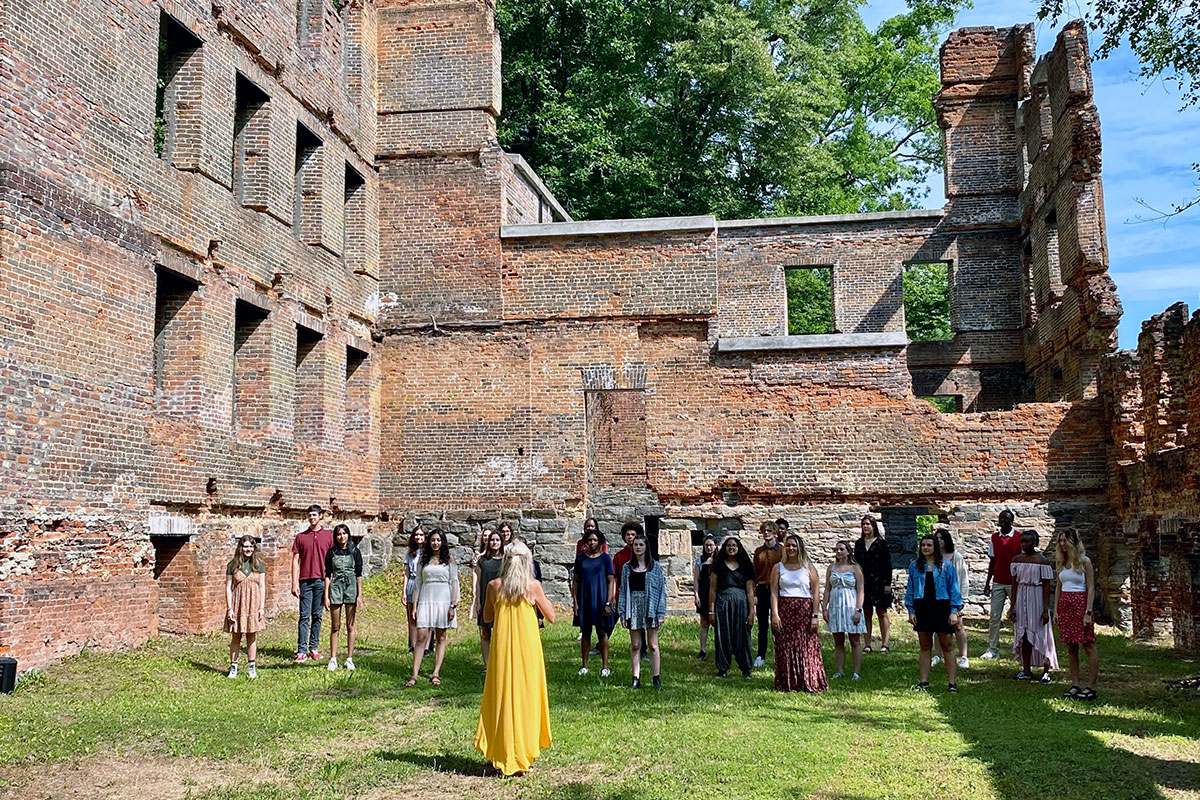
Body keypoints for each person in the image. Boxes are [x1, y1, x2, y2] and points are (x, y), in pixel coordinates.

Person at [475, 540, 555, 776]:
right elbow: (550, 616)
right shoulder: (533, 586)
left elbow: (487, 616)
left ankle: (502, 754)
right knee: (527, 696)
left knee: (502, 694)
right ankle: (524, 756)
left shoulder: (494, 586)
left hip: (502, 647)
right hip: (527, 648)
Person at [905, 534, 963, 692]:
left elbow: (954, 589)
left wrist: (954, 611)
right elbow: (910, 588)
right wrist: (911, 610)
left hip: (941, 606)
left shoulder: (946, 566)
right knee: (925, 645)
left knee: (947, 645)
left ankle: (952, 683)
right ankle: (923, 681)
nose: (925, 548)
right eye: (923, 545)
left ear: (935, 547)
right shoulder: (914, 566)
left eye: (929, 545)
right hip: (922, 606)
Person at [770, 533, 827, 693]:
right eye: (788, 545)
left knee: (805, 644)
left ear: (799, 547)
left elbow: (815, 593)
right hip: (785, 608)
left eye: (794, 545)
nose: (791, 548)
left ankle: (808, 680)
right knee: (786, 644)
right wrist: (774, 614)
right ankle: (788, 682)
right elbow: (774, 592)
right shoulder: (778, 568)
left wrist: (815, 615)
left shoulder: (808, 567)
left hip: (804, 609)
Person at [406, 529, 459, 687]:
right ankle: (414, 674)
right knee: (421, 636)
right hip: (426, 599)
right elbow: (418, 584)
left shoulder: (449, 559)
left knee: (441, 637)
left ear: (442, 542)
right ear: (429, 542)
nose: (435, 543)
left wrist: (452, 605)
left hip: (443, 600)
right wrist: (414, 605)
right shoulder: (424, 559)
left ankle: (436, 672)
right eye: (433, 540)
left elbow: (454, 582)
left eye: (438, 540)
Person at [618, 532, 667, 689]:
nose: (638, 547)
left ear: (646, 547)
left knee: (653, 644)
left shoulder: (655, 568)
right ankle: (635, 678)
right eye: (635, 545)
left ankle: (656, 677)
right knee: (636, 645)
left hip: (650, 606)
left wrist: (660, 613)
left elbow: (661, 591)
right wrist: (622, 612)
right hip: (633, 607)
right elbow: (623, 591)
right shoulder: (627, 568)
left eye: (641, 544)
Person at [1055, 529, 1099, 701]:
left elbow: (1091, 588)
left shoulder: (1084, 562)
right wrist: (1056, 610)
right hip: (1065, 604)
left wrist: (1088, 612)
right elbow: (1058, 587)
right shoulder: (1061, 562)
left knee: (1088, 645)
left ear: (1073, 542)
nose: (1062, 544)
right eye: (1060, 541)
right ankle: (1075, 684)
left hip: (1080, 603)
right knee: (1070, 646)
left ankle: (1092, 686)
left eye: (1065, 541)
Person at [1009, 530, 1058, 682]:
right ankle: (1026, 669)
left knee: (1041, 633)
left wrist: (1045, 609)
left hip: (1036, 597)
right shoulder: (1017, 560)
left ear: (1035, 543)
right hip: (1021, 597)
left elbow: (1046, 586)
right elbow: (1014, 584)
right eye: (1022, 542)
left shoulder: (1042, 562)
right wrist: (1012, 606)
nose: (1024, 545)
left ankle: (1046, 670)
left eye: (1027, 542)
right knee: (1023, 634)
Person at [291, 504, 334, 663]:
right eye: (310, 515)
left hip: (322, 580)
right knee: (304, 616)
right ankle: (301, 650)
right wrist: (294, 582)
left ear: (321, 516)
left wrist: (331, 583)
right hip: (305, 581)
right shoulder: (301, 537)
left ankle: (313, 648)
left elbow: (332, 560)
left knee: (317, 615)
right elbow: (295, 560)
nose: (312, 518)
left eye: (315, 515)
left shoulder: (329, 536)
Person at [709, 536, 755, 679]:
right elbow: (713, 589)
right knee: (723, 636)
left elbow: (750, 591)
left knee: (743, 636)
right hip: (723, 603)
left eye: (734, 545)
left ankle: (746, 669)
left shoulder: (746, 565)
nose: (731, 548)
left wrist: (752, 611)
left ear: (739, 547)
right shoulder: (718, 565)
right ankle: (722, 668)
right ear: (725, 548)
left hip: (741, 604)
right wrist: (711, 610)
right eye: (729, 545)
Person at [572, 528, 615, 676]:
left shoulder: (605, 559)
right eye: (589, 540)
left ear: (600, 542)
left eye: (595, 540)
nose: (592, 542)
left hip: (600, 598)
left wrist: (609, 602)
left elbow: (611, 581)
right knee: (585, 632)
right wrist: (575, 602)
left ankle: (605, 666)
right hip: (585, 599)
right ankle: (584, 665)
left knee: (602, 632)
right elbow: (575, 581)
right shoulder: (580, 559)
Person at [982, 509, 1023, 659]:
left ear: (1012, 521)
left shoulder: (1018, 537)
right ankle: (992, 649)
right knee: (994, 616)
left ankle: (1018, 647)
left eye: (1006, 519)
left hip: (1015, 582)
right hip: (998, 581)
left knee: (1017, 616)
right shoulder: (994, 538)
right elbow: (992, 561)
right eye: (1001, 518)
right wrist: (988, 582)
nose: (1003, 521)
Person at [823, 540, 866, 680]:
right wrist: (824, 608)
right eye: (836, 549)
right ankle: (840, 670)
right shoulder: (831, 568)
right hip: (835, 606)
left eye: (841, 549)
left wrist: (858, 610)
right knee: (838, 640)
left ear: (848, 551)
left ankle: (856, 672)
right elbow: (827, 589)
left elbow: (860, 590)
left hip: (851, 605)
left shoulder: (855, 568)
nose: (838, 552)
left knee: (855, 640)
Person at [225, 535, 265, 679]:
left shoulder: (259, 565)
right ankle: (233, 668)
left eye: (250, 546)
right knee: (236, 636)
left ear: (254, 548)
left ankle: (252, 668)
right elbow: (228, 587)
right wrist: (230, 608)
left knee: (251, 636)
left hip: (253, 604)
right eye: (245, 546)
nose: (248, 549)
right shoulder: (232, 565)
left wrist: (261, 607)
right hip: (238, 604)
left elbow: (262, 586)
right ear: (240, 548)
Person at [324, 524, 363, 672]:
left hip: (351, 587)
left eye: (344, 533)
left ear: (348, 535)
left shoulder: (355, 551)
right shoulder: (331, 552)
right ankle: (333, 658)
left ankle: (349, 658)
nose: (342, 537)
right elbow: (327, 574)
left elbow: (359, 574)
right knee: (335, 626)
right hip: (336, 588)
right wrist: (326, 595)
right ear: (336, 536)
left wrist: (360, 594)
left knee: (350, 625)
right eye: (339, 534)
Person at [930, 528, 969, 670]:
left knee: (958, 626)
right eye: (937, 538)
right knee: (937, 627)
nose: (939, 541)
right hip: (937, 598)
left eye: (941, 538)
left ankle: (963, 656)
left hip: (953, 597)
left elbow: (963, 578)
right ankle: (937, 655)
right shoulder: (932, 558)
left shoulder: (955, 556)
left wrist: (962, 599)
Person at [854, 515, 892, 654]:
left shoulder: (881, 543)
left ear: (873, 526)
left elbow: (887, 564)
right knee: (866, 612)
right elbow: (856, 564)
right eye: (863, 524)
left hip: (880, 581)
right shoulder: (859, 543)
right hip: (865, 582)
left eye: (868, 524)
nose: (865, 526)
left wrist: (888, 583)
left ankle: (885, 643)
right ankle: (868, 644)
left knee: (882, 612)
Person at [752, 521, 784, 667]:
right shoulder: (759, 551)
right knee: (763, 625)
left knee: (777, 623)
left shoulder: (782, 551)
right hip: (762, 589)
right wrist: (754, 593)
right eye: (764, 531)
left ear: (775, 533)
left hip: (778, 590)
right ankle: (761, 655)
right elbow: (754, 574)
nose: (766, 533)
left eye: (769, 531)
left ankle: (780, 654)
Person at [474, 529, 505, 670]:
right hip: (485, 600)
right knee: (485, 633)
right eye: (492, 540)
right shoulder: (482, 561)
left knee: (501, 633)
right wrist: (478, 602)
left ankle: (500, 663)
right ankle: (487, 665)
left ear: (501, 542)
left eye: (497, 540)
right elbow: (478, 583)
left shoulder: (506, 561)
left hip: (501, 601)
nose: (495, 542)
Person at [693, 534, 718, 659]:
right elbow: (696, 579)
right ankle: (702, 650)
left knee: (718, 622)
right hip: (703, 593)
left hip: (716, 595)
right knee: (704, 622)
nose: (709, 548)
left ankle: (720, 649)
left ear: (715, 546)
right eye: (707, 545)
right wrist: (696, 595)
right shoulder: (700, 560)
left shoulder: (719, 560)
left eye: (711, 545)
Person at [402, 524, 426, 654]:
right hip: (412, 582)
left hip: (424, 583)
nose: (418, 537)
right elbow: (406, 573)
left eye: (421, 535)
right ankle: (413, 645)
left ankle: (426, 646)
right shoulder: (410, 553)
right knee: (412, 617)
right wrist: (404, 591)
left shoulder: (428, 552)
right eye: (416, 535)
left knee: (424, 616)